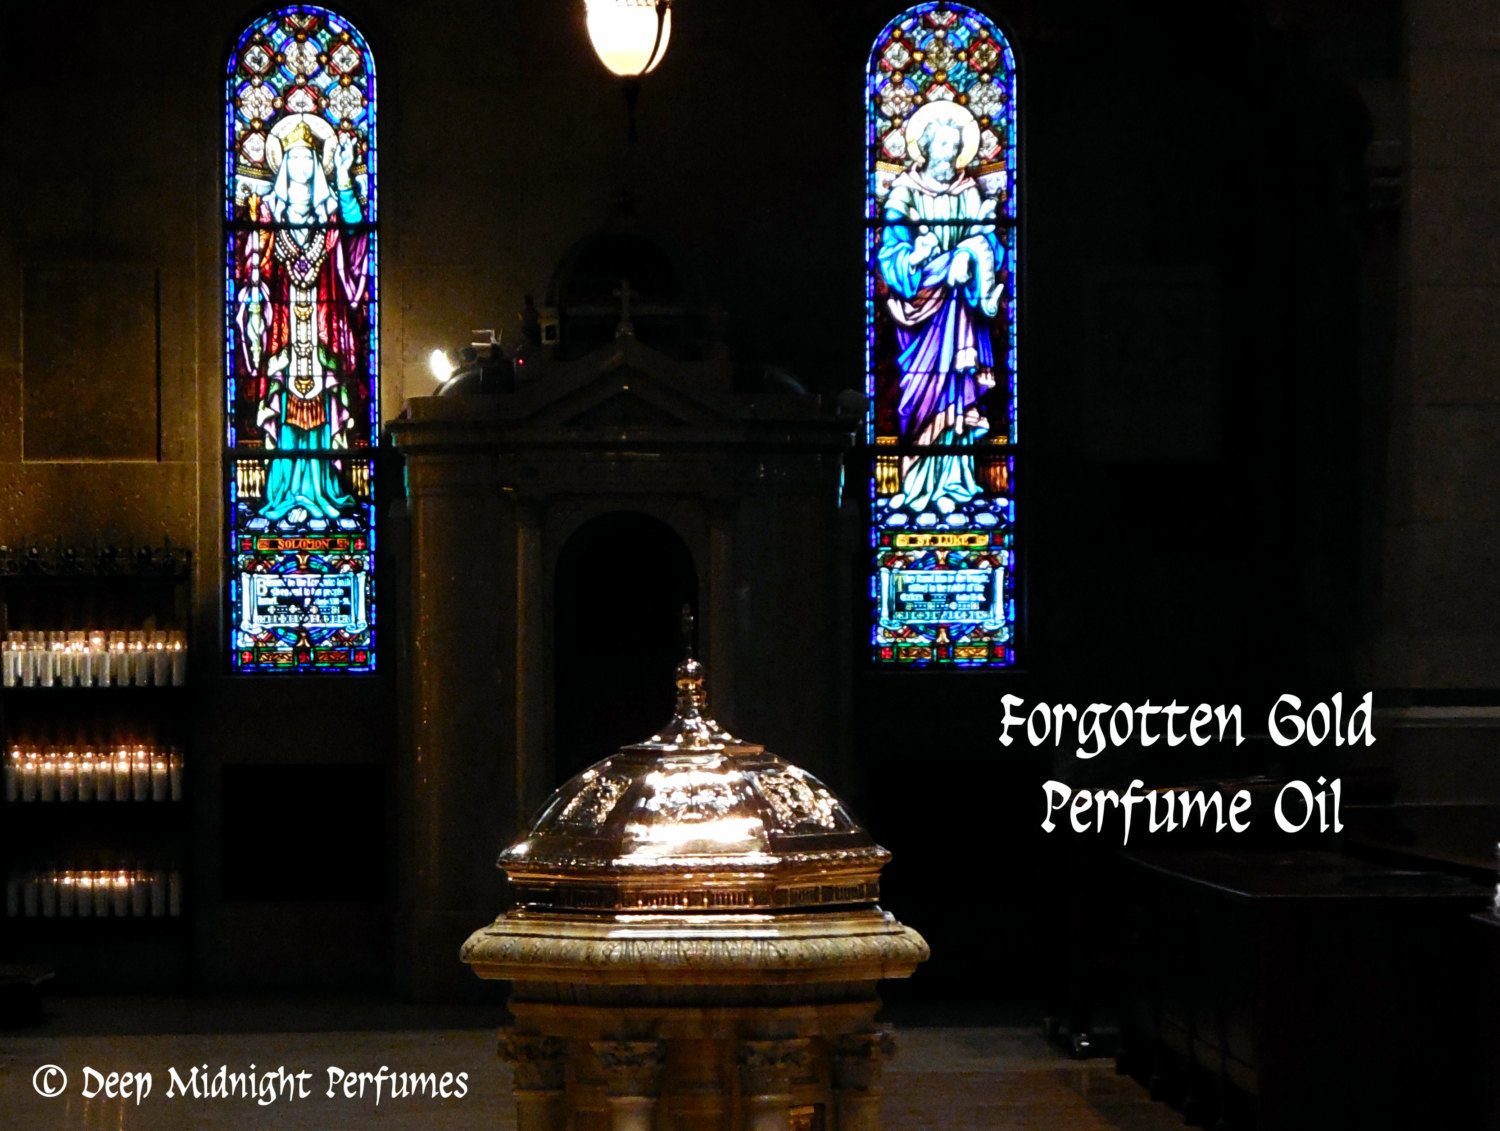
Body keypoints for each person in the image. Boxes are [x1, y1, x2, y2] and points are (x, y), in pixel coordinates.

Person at [237, 115, 369, 526]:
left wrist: (344, 180)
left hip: (325, 332)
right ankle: (282, 496)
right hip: (284, 336)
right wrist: (253, 278)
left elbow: (355, 236)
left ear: (316, 163)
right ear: (283, 165)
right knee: (284, 407)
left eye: (307, 157)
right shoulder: (268, 215)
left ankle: (324, 494)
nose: (300, 165)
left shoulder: (330, 212)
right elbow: (251, 266)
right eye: (292, 157)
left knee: (326, 407)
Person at [877, 100, 1005, 513]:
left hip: (961, 308)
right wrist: (915, 257)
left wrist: (977, 245)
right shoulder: (905, 192)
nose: (949, 155)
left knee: (958, 388)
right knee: (923, 393)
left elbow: (991, 245)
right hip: (920, 311)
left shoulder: (968, 191)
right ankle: (917, 483)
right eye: (943, 146)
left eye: (955, 147)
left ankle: (956, 482)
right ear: (928, 148)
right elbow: (888, 251)